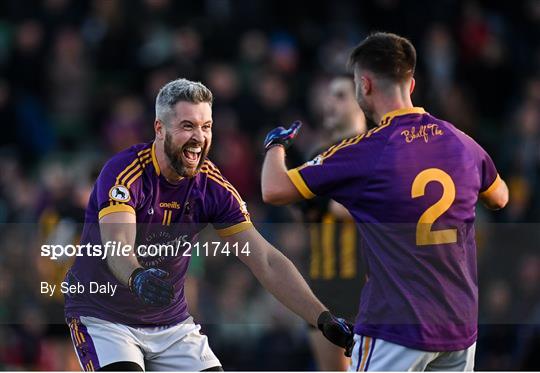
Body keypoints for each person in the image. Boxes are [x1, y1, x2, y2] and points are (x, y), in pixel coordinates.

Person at [63, 78, 352, 371]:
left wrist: (322, 318)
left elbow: (265, 260)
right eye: (187, 126)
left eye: (206, 126)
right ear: (159, 129)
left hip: (170, 325)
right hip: (104, 317)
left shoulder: (211, 186)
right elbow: (118, 248)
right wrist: (138, 276)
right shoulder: (125, 172)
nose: (199, 137)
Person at [261, 32, 508, 371]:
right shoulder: (460, 141)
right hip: (459, 328)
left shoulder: (365, 151)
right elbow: (500, 197)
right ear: (412, 83)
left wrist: (275, 145)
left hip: (395, 327)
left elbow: (273, 190)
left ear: (365, 84)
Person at [299, 74, 367, 371]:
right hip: (323, 287)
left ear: (363, 101)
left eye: (340, 95)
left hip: (368, 288)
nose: (330, 102)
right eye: (329, 95)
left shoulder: (377, 151)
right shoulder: (317, 157)